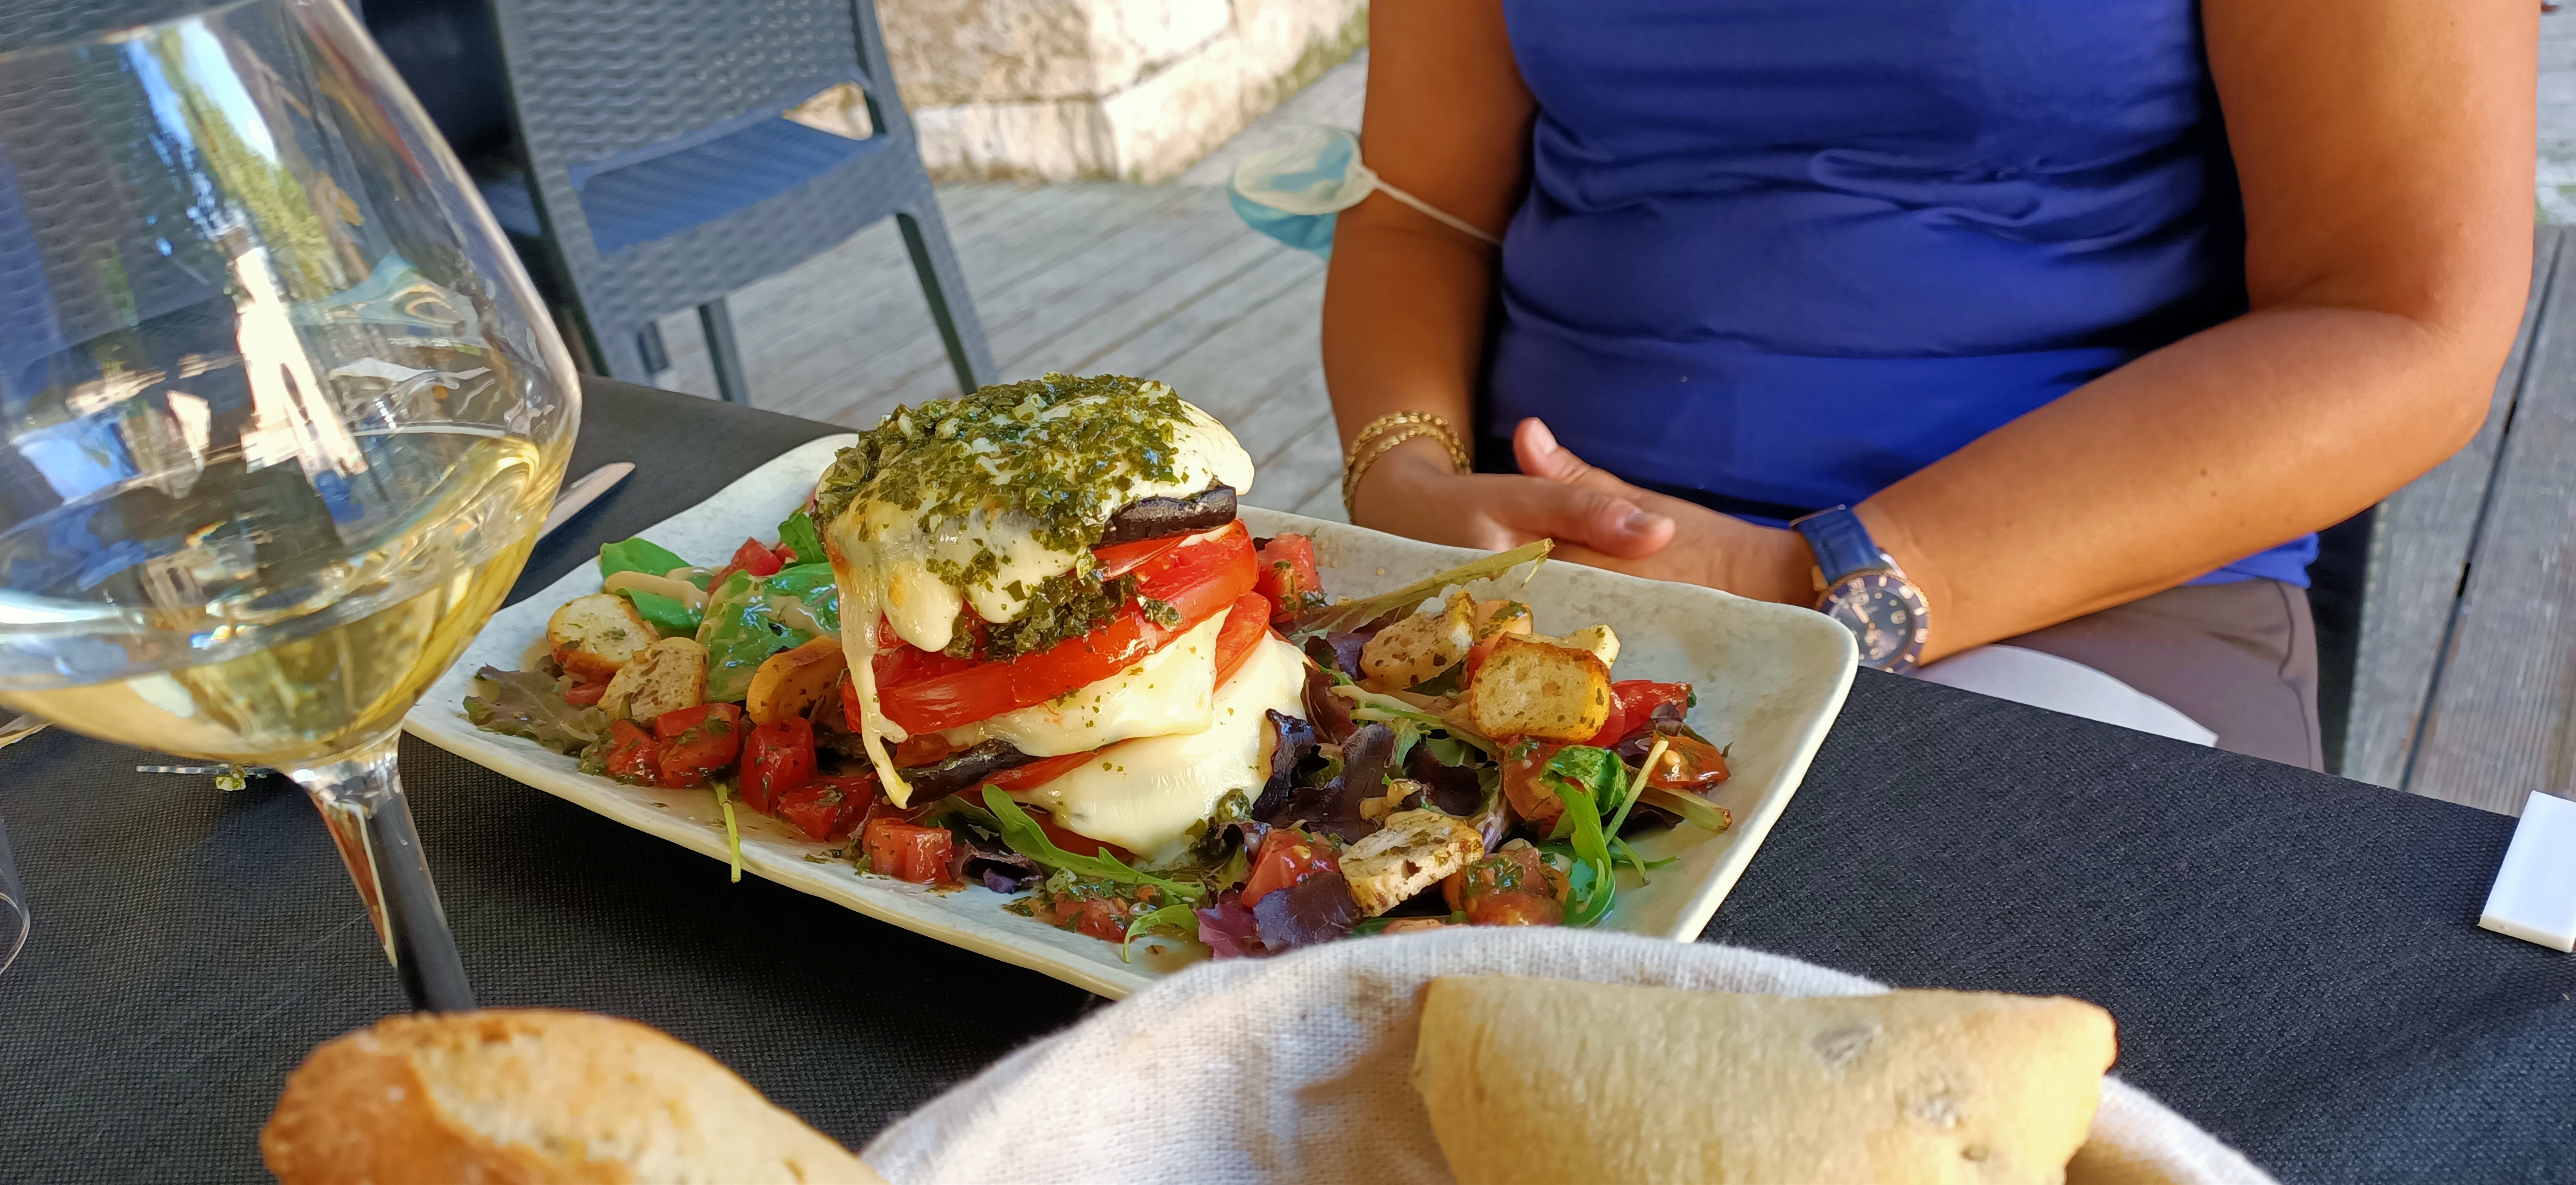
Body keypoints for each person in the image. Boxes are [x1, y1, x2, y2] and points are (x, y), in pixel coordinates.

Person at [1320, 0, 2534, 769]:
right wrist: (1403, 476)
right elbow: (1418, 212)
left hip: (2078, 584)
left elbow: (2404, 320)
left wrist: (1800, 580)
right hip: (1540, 572)